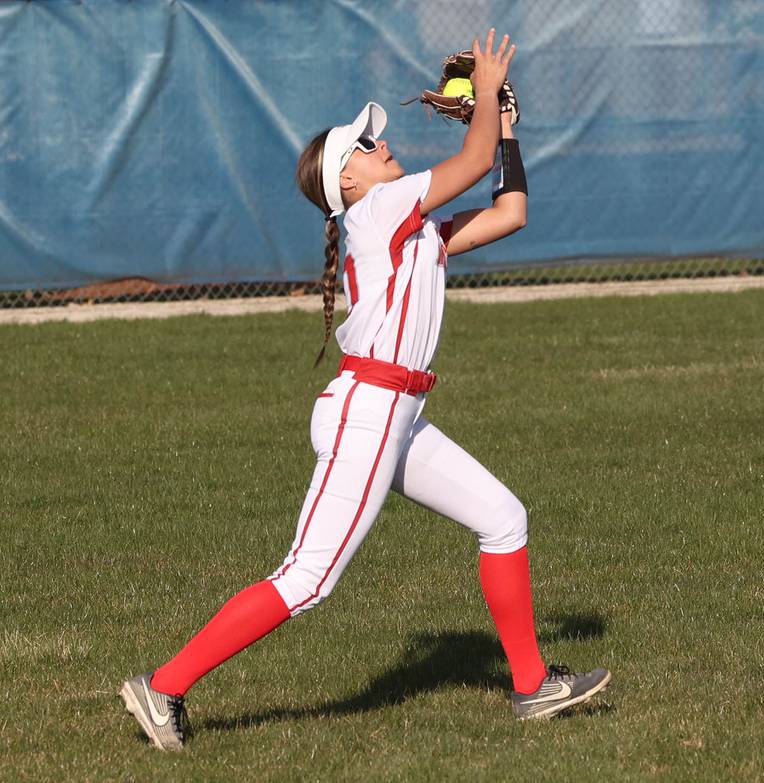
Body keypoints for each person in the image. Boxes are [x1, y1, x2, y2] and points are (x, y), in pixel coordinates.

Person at [119, 29, 610, 751]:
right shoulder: (376, 212)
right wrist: (490, 88)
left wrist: (503, 130)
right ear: (346, 181)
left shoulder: (412, 231)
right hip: (371, 410)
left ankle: (532, 684)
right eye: (365, 146)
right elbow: (469, 162)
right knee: (308, 576)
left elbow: (510, 212)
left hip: (396, 413)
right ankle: (162, 687)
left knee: (504, 517)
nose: (381, 145)